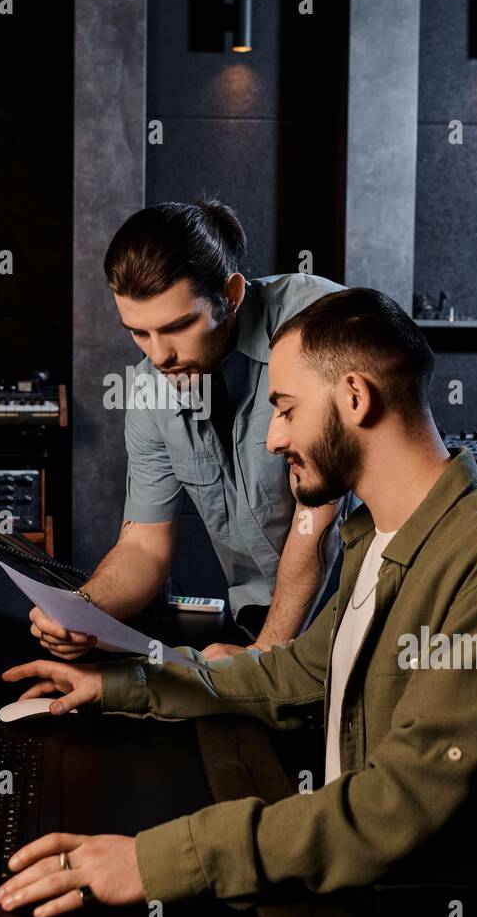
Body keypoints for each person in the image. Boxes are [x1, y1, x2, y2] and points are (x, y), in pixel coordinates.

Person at [0, 288, 477, 917]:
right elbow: (296, 673)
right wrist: (121, 683)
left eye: (285, 408)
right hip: (353, 886)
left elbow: (399, 804)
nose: (274, 439)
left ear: (355, 398)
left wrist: (154, 861)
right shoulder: (381, 536)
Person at [29, 196, 352, 663]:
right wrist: (84, 609)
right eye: (139, 333)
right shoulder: (148, 386)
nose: (159, 356)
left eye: (177, 327)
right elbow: (144, 545)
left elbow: (317, 517)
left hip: (365, 608)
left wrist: (263, 658)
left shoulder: (316, 324)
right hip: (265, 620)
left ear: (231, 296)